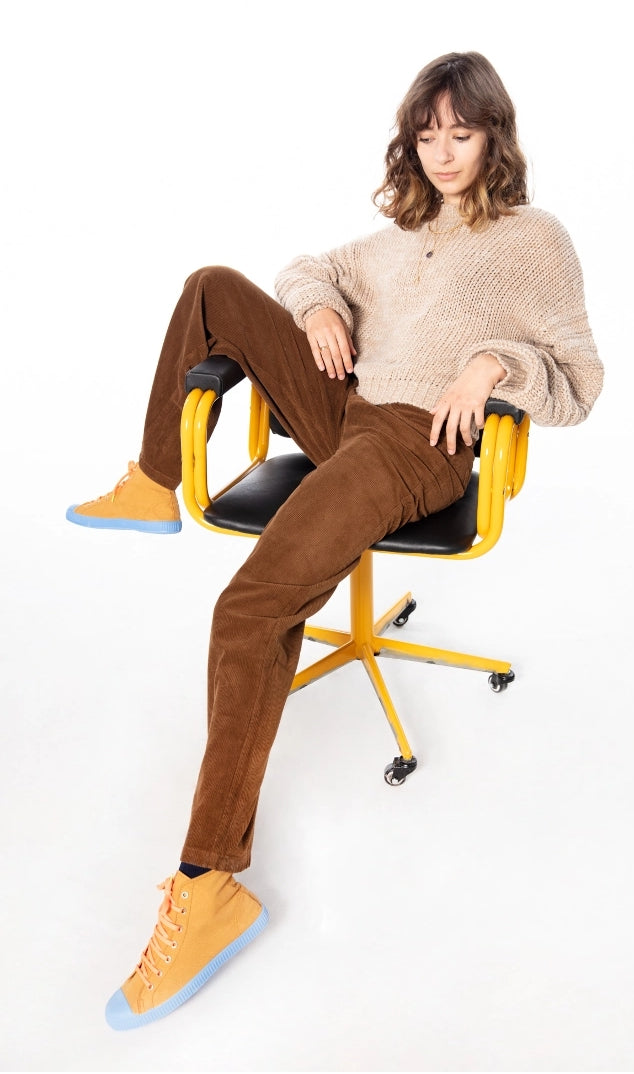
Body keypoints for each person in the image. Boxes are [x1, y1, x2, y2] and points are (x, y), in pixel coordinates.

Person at [66, 51, 603, 1030]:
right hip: (346, 411)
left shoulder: (534, 241)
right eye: (427, 133)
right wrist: (316, 308)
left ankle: (209, 883)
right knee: (212, 287)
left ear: (494, 135)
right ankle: (153, 482)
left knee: (248, 606)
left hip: (414, 448)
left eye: (462, 132)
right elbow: (310, 265)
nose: (443, 152)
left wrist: (492, 361)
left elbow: (577, 375)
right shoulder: (399, 236)